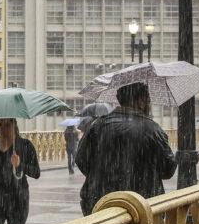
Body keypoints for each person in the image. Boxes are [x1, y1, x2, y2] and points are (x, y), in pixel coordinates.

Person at [76, 82, 177, 216]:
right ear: (140, 101)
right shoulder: (152, 129)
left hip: (99, 203)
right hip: (140, 206)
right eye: (148, 101)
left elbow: (81, 159)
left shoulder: (98, 125)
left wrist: (101, 177)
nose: (149, 106)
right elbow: (167, 170)